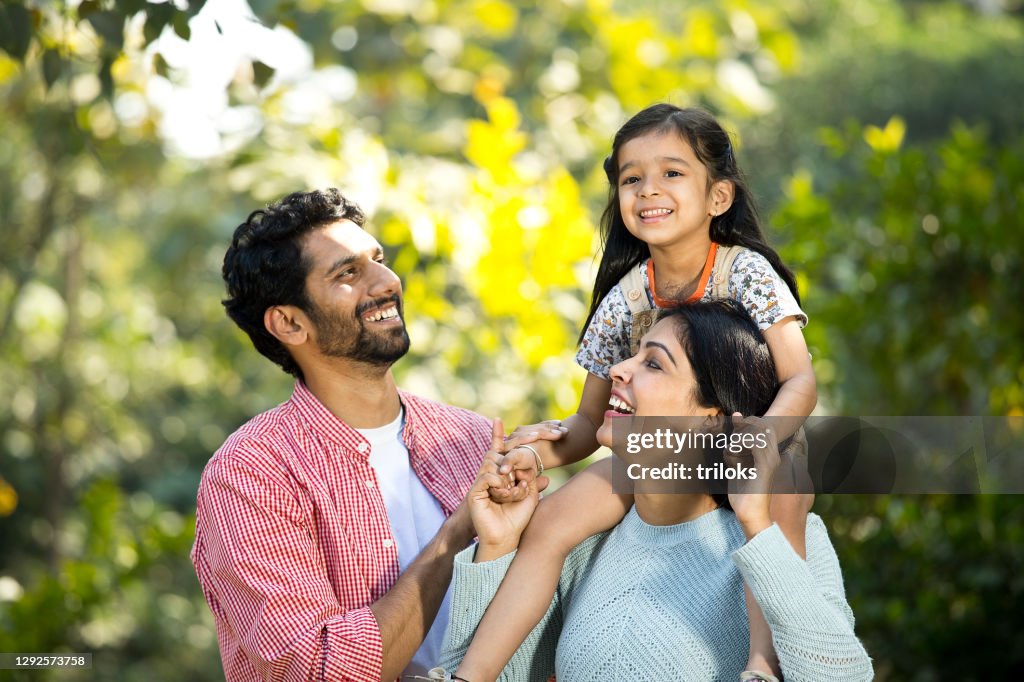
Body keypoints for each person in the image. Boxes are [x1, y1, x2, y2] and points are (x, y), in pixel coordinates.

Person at [456, 104, 817, 681]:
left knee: (784, 497)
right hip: (660, 450)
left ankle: (763, 664)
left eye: (672, 173)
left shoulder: (746, 272)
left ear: (718, 197)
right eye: (631, 179)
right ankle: (467, 676)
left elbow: (800, 378)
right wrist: (534, 453)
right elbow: (585, 423)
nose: (649, 190)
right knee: (550, 523)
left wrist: (763, 443)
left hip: (749, 437)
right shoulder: (625, 299)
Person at [435, 300, 872, 681]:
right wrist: (495, 546)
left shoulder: (782, 539)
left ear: (711, 417)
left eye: (653, 363)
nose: (616, 370)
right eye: (633, 355)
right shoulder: (583, 540)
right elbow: (488, 674)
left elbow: (843, 675)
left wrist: (757, 525)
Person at [190, 188, 495, 681]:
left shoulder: (473, 438)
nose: (387, 282)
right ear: (289, 323)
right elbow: (321, 671)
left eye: (378, 259)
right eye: (347, 273)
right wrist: (455, 536)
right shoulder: (250, 475)